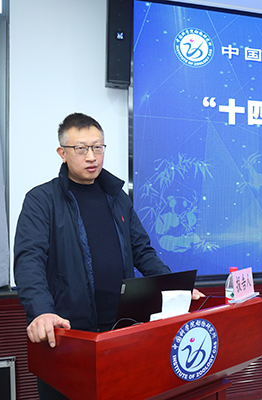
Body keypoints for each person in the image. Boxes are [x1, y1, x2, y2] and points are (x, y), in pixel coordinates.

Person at [14, 112, 203, 399]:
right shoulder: (41, 200)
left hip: (122, 328)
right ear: (62, 153)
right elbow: (29, 259)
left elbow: (142, 250)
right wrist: (41, 311)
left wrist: (176, 287)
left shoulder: (117, 197)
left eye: (98, 147)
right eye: (81, 149)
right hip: (69, 331)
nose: (91, 156)